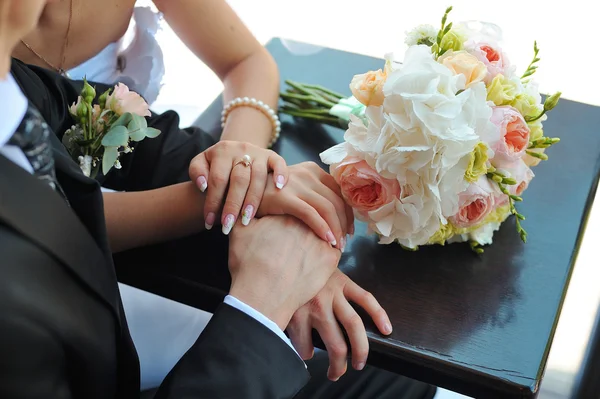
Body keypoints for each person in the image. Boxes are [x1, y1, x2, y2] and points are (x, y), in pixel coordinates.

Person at [0, 1, 437, 398]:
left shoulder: (15, 88)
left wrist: (250, 182)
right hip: (105, 345)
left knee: (395, 367)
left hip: (101, 306)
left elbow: (140, 141)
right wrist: (262, 302)